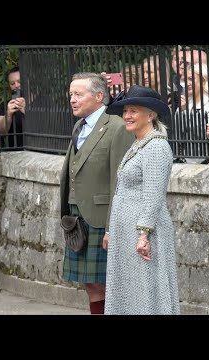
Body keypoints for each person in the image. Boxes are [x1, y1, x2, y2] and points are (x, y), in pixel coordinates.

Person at [60, 72, 134, 314]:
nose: (72, 99)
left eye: (78, 94)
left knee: (107, 284)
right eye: (71, 94)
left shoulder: (117, 127)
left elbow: (118, 181)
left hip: (101, 218)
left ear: (99, 96)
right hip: (77, 218)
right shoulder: (79, 126)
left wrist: (113, 227)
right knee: (90, 283)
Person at [104, 85, 180, 315]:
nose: (127, 116)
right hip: (127, 230)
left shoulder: (156, 147)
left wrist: (143, 234)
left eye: (134, 111)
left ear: (151, 114)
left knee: (147, 289)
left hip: (144, 233)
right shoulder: (139, 144)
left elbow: (153, 195)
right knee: (130, 289)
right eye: (126, 110)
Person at [0, 66, 25, 148]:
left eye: (19, 81)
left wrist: (26, 110)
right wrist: (8, 115)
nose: (16, 85)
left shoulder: (40, 102)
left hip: (38, 152)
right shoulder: (5, 105)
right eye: (12, 83)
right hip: (14, 152)